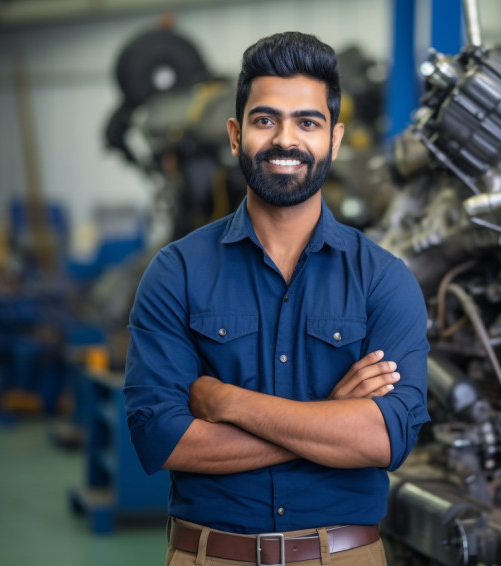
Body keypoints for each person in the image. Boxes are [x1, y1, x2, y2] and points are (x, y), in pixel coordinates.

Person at [124, 31, 429, 566]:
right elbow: (162, 438)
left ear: (334, 140)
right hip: (211, 556)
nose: (286, 140)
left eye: (307, 123)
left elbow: (386, 439)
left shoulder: (383, 279)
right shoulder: (177, 272)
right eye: (266, 120)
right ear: (236, 135)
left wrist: (229, 403)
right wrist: (330, 418)